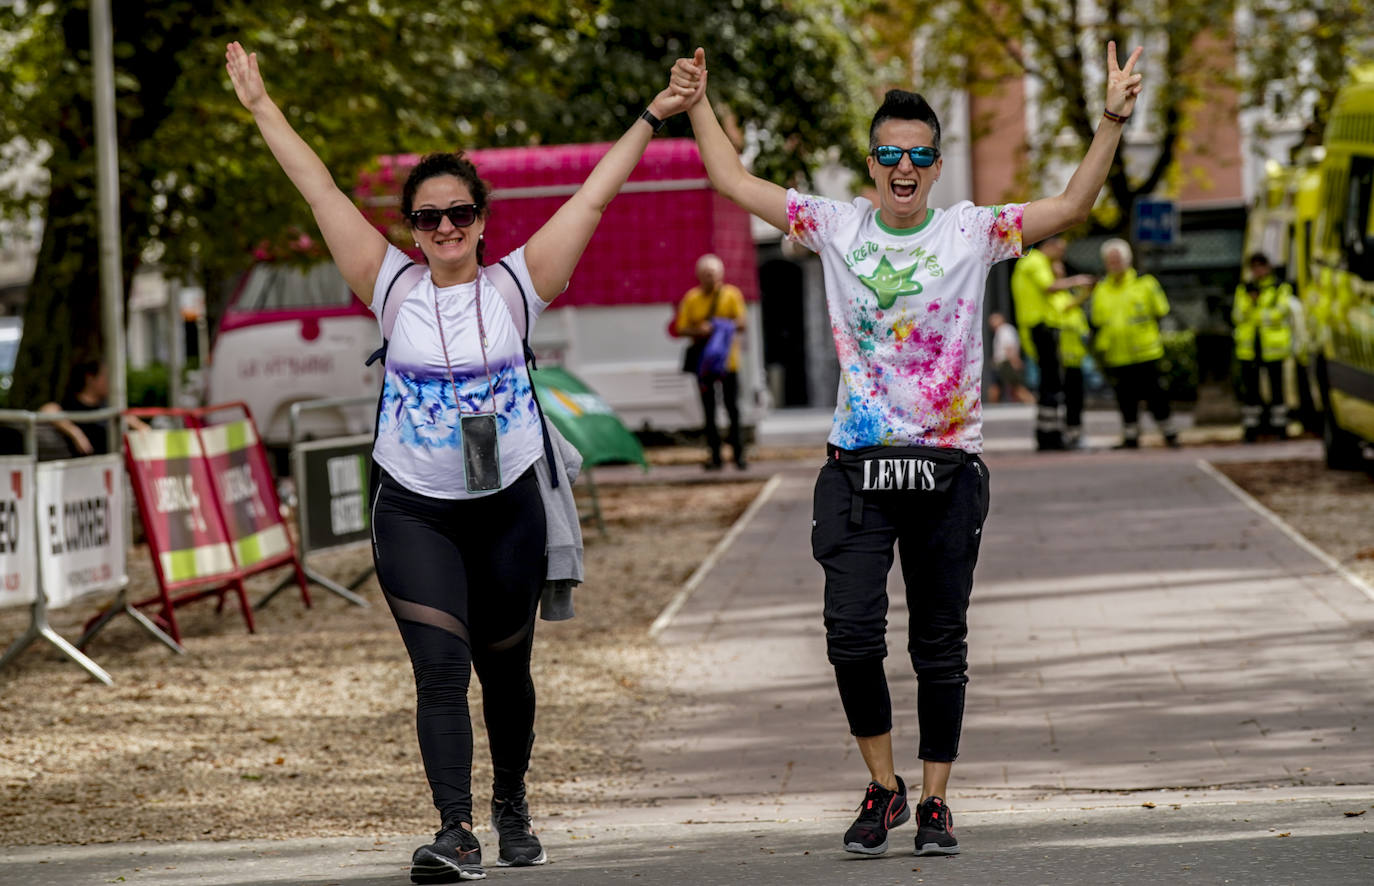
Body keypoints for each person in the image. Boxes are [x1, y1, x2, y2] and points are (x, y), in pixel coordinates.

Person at [226, 41, 702, 883]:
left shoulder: (518, 284)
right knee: (440, 670)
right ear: (411, 227)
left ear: (482, 220)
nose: (444, 228)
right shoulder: (390, 286)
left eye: (459, 214)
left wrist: (651, 116)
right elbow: (320, 189)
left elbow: (594, 197)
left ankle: (511, 803)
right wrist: (264, 107)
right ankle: (454, 830)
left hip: (508, 502)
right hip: (415, 506)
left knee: (505, 672)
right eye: (426, 217)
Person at [671, 41, 1144, 857]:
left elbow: (1068, 208)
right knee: (851, 633)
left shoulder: (972, 231)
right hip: (857, 464)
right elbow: (730, 181)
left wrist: (1109, 119)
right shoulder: (835, 223)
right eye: (890, 153)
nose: (904, 166)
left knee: (939, 642)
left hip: (948, 465)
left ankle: (933, 800)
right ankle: (882, 787)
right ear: (871, 161)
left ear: (934, 166)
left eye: (920, 155)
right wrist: (697, 103)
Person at [1089, 238, 1179, 448]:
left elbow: (1161, 311)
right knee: (1125, 399)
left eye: (1117, 259)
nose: (1114, 264)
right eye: (1110, 260)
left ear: (1128, 260)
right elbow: (1096, 321)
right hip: (1117, 354)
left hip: (1146, 351)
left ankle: (1169, 433)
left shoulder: (1145, 283)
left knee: (1156, 395)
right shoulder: (1101, 288)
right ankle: (1131, 436)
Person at [1009, 236, 1096, 449]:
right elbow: (1049, 287)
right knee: (1050, 384)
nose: (1062, 256)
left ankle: (1049, 433)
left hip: (1041, 328)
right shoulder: (1036, 261)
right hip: (1042, 327)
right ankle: (1049, 436)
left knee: (1050, 383)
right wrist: (1076, 281)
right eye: (1061, 250)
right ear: (1050, 245)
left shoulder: (1031, 263)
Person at [674, 253, 748, 469]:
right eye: (706, 274)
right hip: (704, 365)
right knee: (709, 412)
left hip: (728, 363)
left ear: (720, 274)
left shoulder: (731, 295)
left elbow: (742, 323)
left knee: (733, 409)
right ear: (699, 276)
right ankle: (715, 457)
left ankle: (739, 455)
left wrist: (720, 326)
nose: (710, 278)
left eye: (713, 274)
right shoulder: (692, 298)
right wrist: (700, 329)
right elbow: (681, 327)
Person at [1232, 253, 1293, 441]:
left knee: (1277, 389)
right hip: (1249, 348)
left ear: (1268, 267)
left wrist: (1256, 311)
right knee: (1251, 391)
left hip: (1273, 348)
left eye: (1261, 266)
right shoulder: (1244, 289)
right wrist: (1254, 305)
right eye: (1254, 267)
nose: (1258, 271)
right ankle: (1252, 429)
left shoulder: (1280, 287)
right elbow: (1237, 315)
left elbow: (1282, 312)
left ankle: (1280, 428)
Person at [38, 360, 148, 460]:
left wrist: (139, 426)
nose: (109, 381)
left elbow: (141, 427)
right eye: (105, 376)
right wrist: (75, 432)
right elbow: (48, 409)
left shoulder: (107, 407)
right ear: (90, 379)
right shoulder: (72, 404)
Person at [1049, 259, 1093, 449]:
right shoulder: (1053, 298)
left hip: (1076, 358)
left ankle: (1075, 433)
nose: (1059, 270)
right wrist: (1083, 293)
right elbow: (1064, 310)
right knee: (1065, 400)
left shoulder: (1066, 295)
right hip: (1062, 359)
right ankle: (1065, 435)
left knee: (1076, 399)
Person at [986, 313, 1031, 404]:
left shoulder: (1005, 330)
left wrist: (1014, 361)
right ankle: (992, 407)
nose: (991, 322)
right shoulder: (1001, 331)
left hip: (1006, 362)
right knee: (995, 386)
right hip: (1000, 363)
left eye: (994, 319)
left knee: (1016, 386)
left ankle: (1031, 401)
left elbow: (1009, 347)